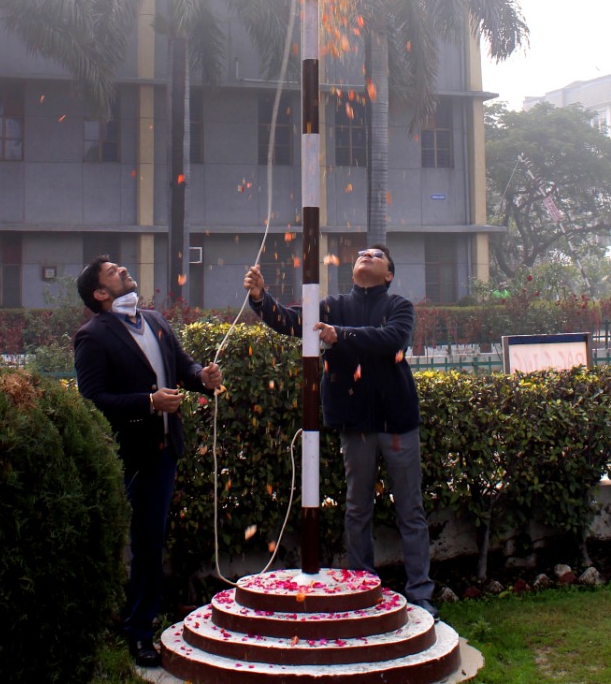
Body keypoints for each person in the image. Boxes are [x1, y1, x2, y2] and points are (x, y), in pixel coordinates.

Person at [243, 243, 436, 615]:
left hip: (397, 420)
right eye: (363, 254)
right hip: (354, 422)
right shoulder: (332, 306)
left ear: (389, 274)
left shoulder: (399, 306)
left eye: (376, 255)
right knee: (357, 508)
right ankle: (363, 588)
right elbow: (291, 321)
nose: (367, 255)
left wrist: (340, 335)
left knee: (410, 509)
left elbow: (393, 339)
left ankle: (421, 592)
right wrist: (260, 298)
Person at [74, 258, 222, 669]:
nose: (122, 270)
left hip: (164, 451)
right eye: (112, 272)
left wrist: (202, 377)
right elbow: (92, 399)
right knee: (135, 543)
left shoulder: (155, 320)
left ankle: (141, 623)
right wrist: (148, 403)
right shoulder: (92, 336)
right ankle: (131, 630)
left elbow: (182, 366)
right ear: (100, 294)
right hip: (128, 454)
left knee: (152, 541)